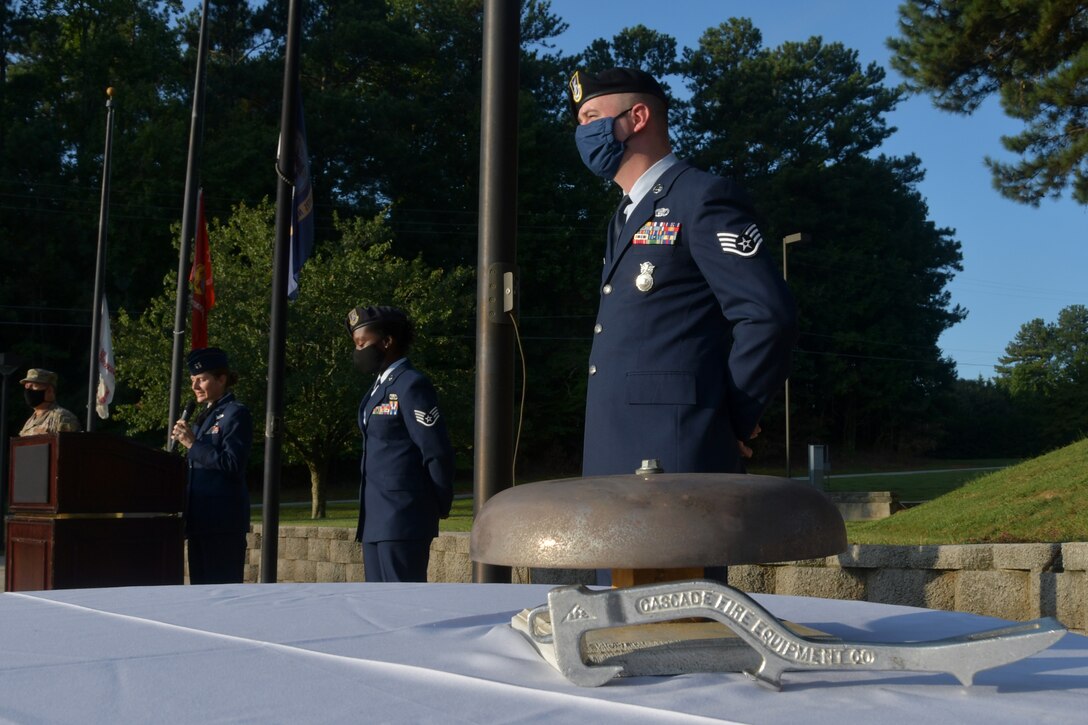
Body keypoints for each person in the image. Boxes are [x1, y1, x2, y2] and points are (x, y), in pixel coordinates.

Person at [568, 67, 798, 479]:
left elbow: (766, 316)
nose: (582, 131)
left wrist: (732, 416)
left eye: (591, 117)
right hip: (615, 446)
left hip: (674, 452)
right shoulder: (625, 214)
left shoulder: (702, 197)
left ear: (637, 118)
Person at [346, 305, 454, 583]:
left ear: (387, 341)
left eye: (362, 343)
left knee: (402, 607)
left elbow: (435, 449)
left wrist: (439, 502)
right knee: (378, 608)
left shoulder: (410, 385)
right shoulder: (378, 388)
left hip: (404, 518)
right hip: (375, 520)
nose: (358, 351)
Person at [170, 347, 253, 584]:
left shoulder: (236, 414)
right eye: (193, 380)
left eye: (202, 379)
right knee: (201, 594)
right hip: (198, 522)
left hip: (222, 523)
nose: (195, 386)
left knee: (222, 593)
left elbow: (232, 463)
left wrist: (192, 444)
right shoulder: (202, 417)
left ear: (221, 379)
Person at [19, 368, 81, 436]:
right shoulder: (29, 422)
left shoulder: (62, 418)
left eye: (34, 386)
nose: (28, 390)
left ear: (49, 391)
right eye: (27, 386)